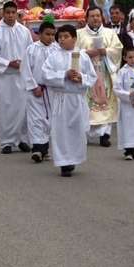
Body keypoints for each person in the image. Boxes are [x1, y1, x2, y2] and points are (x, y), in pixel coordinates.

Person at [42, 24, 97, 177]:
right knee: (60, 130)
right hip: (62, 98)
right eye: (59, 37)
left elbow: (92, 77)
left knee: (76, 130)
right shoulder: (54, 56)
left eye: (66, 37)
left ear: (74, 38)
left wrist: (82, 78)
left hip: (77, 99)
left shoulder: (83, 56)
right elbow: (46, 74)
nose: (62, 40)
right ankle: (63, 162)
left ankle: (73, 158)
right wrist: (63, 75)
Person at [0, 0, 34, 154]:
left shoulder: (24, 31)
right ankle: (6, 141)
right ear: (3, 13)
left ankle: (22, 140)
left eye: (13, 13)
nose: (11, 16)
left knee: (23, 109)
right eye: (8, 13)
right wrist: (8, 63)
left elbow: (31, 52)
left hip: (21, 77)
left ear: (17, 13)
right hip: (4, 78)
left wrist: (24, 64)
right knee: (5, 109)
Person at [76, 6, 123, 147]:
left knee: (106, 101)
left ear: (102, 17)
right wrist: (86, 53)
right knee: (88, 102)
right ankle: (86, 134)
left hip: (105, 72)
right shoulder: (79, 34)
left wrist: (106, 51)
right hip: (87, 73)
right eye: (92, 16)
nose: (95, 18)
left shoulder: (110, 33)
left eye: (98, 15)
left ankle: (105, 134)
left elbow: (118, 49)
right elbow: (74, 51)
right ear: (87, 18)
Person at [21, 21, 57, 163]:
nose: (50, 37)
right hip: (35, 90)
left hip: (51, 91)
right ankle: (37, 148)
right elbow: (25, 69)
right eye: (47, 34)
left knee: (49, 120)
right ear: (39, 34)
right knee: (36, 119)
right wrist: (33, 86)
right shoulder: (31, 49)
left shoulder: (56, 50)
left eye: (53, 35)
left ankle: (44, 149)